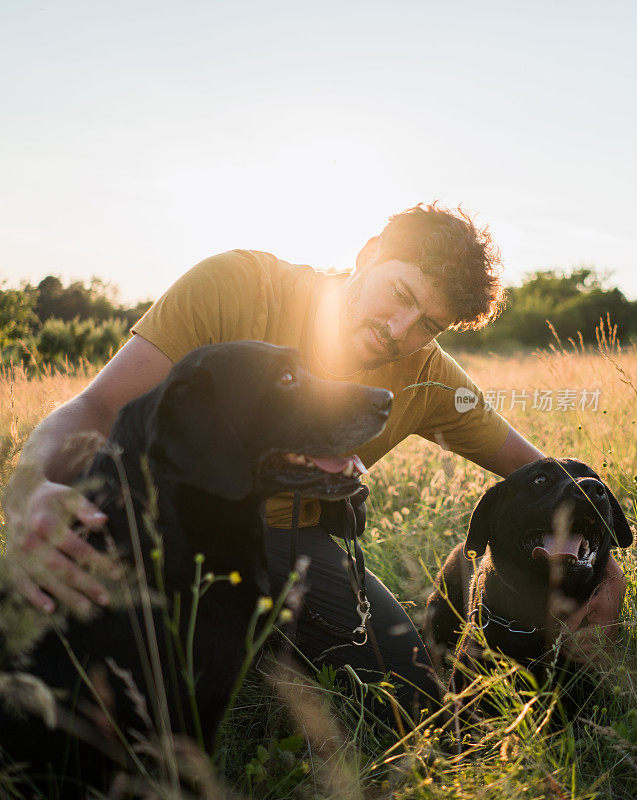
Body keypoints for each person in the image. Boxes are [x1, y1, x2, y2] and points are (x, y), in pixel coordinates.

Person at [3, 203, 626, 717]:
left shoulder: (431, 378)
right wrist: (34, 491)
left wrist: (606, 566)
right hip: (159, 520)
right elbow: (96, 407)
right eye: (399, 294)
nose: (399, 329)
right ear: (369, 252)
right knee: (85, 694)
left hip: (290, 547)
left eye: (428, 323)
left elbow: (539, 474)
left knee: (418, 699)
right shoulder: (238, 286)